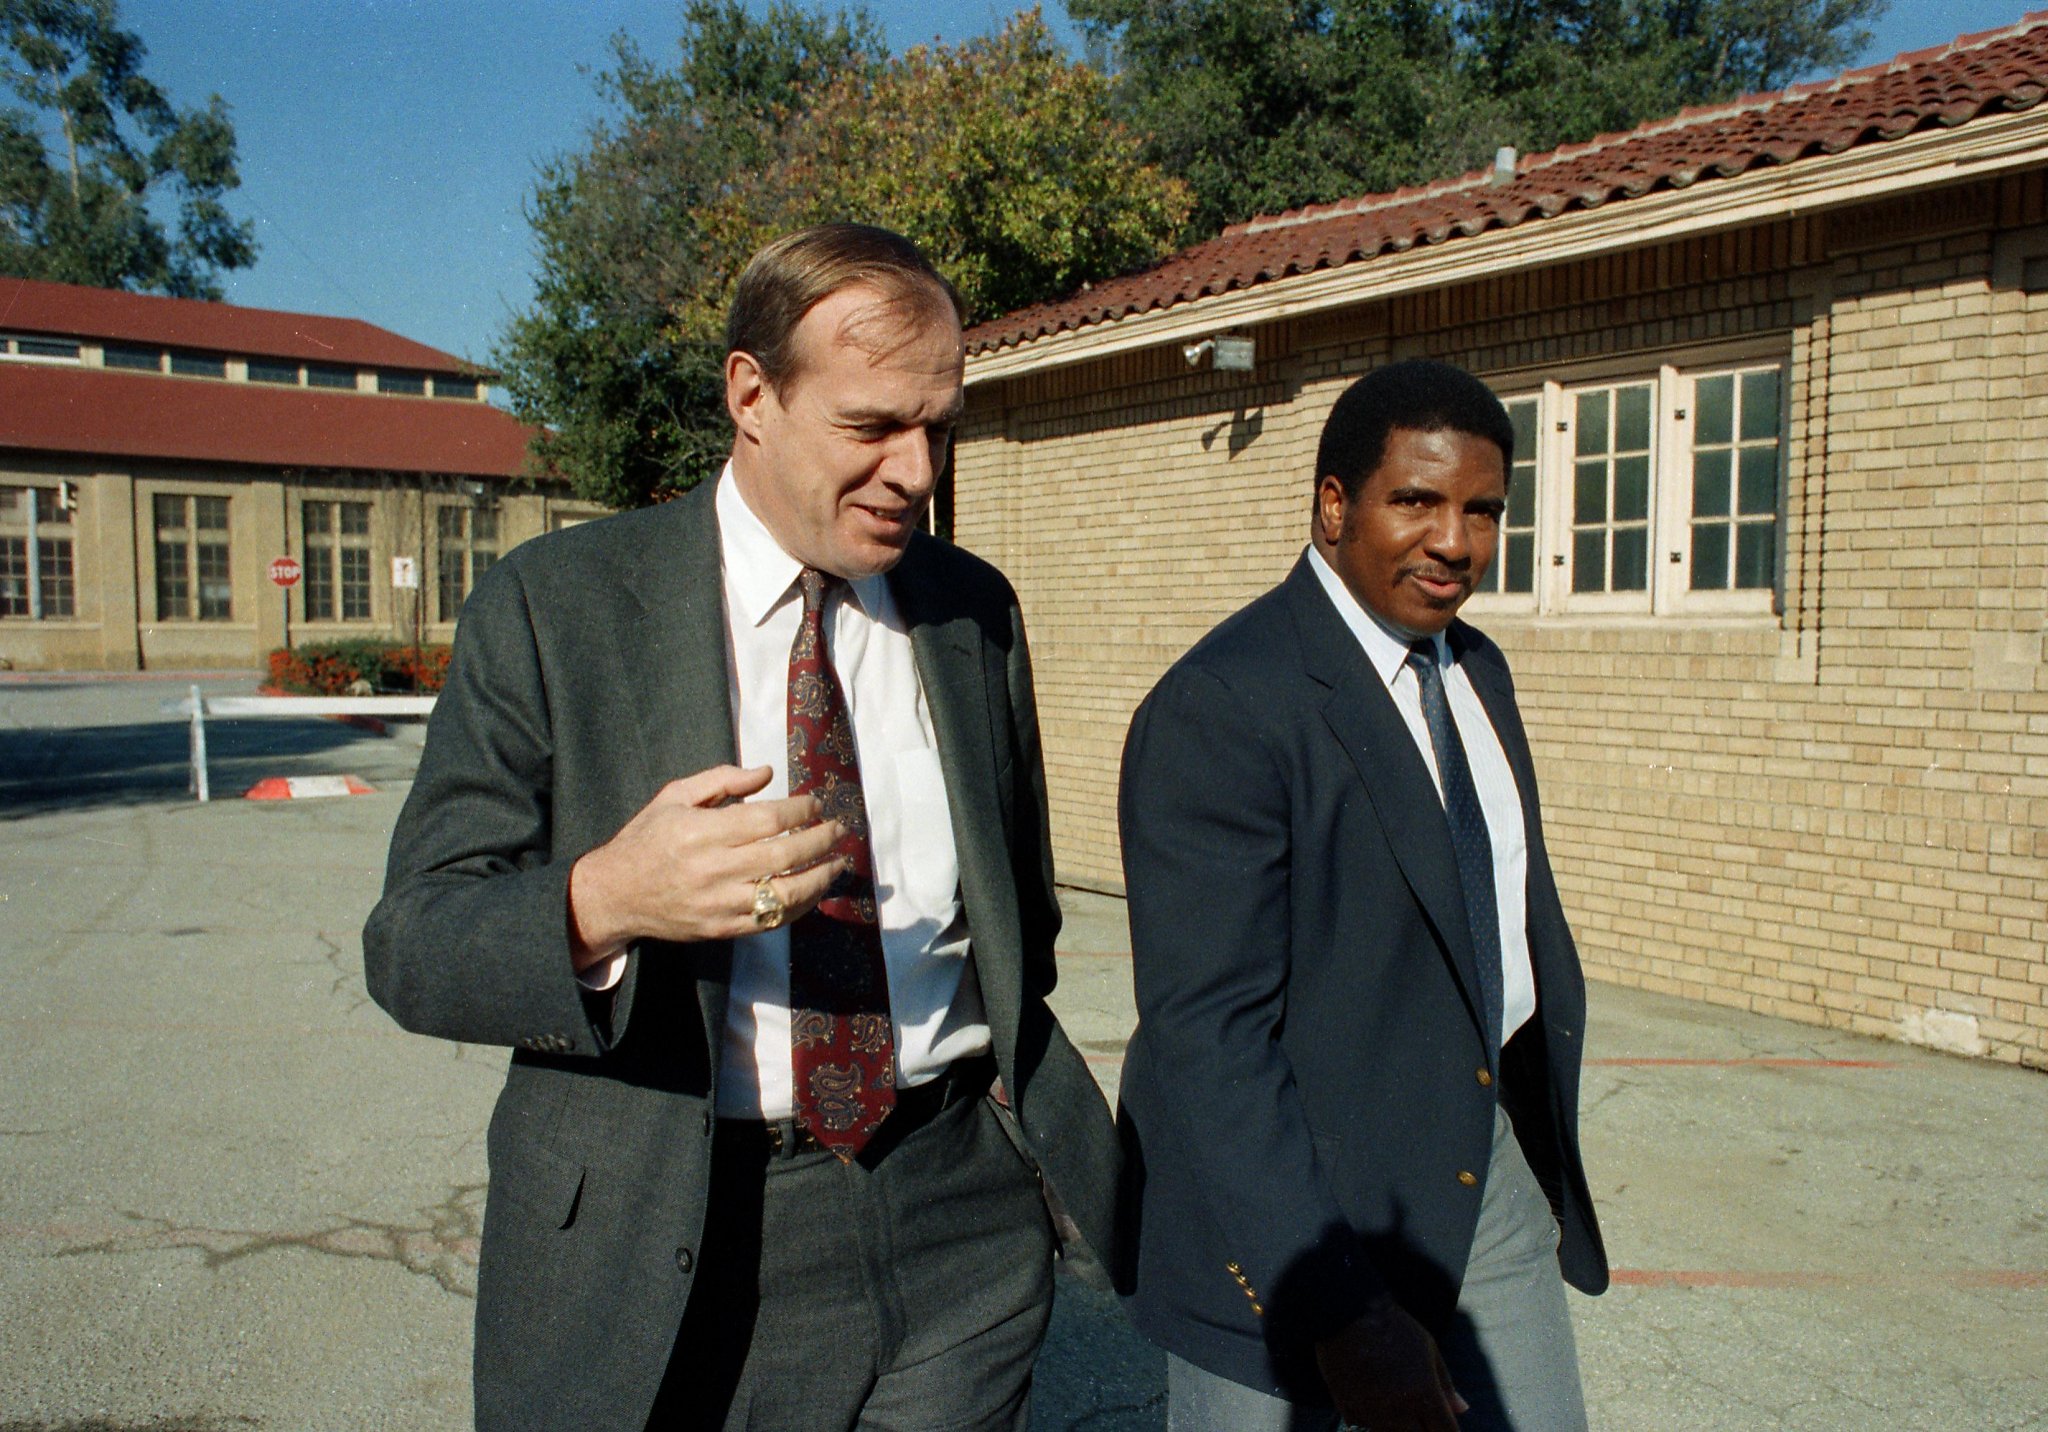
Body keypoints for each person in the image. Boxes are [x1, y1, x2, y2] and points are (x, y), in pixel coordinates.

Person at [363, 223, 1117, 1431]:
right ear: (750, 395)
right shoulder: (559, 608)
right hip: (693, 1230)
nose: (917, 470)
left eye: (939, 424)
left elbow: (1018, 910)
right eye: (871, 427)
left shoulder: (971, 611)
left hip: (957, 1219)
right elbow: (411, 940)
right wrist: (603, 900)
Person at [1115, 359, 1608, 1431]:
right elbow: (1207, 1036)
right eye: (1416, 501)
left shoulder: (1473, 667)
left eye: (1482, 510)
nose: (1453, 541)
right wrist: (1342, 1310)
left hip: (1483, 1183)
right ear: (1333, 504)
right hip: (1290, 1225)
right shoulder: (1223, 704)